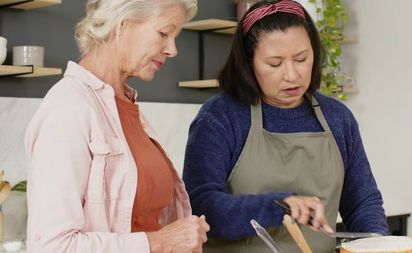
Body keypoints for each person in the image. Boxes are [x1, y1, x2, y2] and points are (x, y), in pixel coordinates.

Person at [182, 0, 389, 252]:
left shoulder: (337, 117)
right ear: (249, 64)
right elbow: (202, 208)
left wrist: (379, 245)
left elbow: (362, 203)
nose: (292, 75)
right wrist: (278, 206)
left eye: (301, 59)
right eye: (275, 63)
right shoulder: (221, 116)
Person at [24, 0, 210, 252]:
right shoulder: (68, 106)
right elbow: (53, 246)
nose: (172, 50)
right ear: (123, 24)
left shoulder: (123, 105)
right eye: (164, 33)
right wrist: (161, 241)